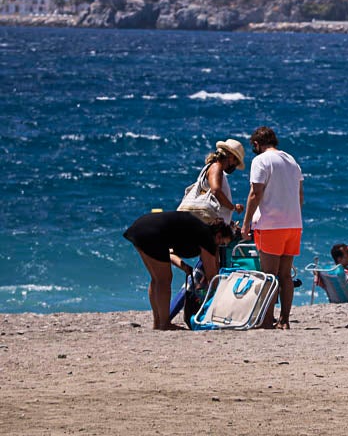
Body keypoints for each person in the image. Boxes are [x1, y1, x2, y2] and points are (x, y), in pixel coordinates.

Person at [123, 211, 233, 330]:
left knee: (157, 279)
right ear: (218, 236)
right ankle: (164, 324)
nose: (219, 246)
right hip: (152, 233)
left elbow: (169, 253)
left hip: (141, 227)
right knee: (164, 280)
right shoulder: (207, 238)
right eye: (222, 243)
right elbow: (212, 276)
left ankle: (158, 322)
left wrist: (183, 266)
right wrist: (220, 299)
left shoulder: (199, 230)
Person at [242, 126, 304, 328]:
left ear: (256, 144)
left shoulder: (260, 160)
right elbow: (300, 196)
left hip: (270, 225)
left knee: (268, 275)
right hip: (294, 224)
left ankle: (267, 320)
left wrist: (246, 222)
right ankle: (284, 320)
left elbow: (255, 193)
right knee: (285, 275)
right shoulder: (292, 161)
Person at [202, 138, 245, 224]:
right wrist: (232, 207)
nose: (235, 166)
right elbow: (216, 191)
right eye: (236, 162)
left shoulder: (213, 168)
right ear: (231, 157)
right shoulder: (216, 167)